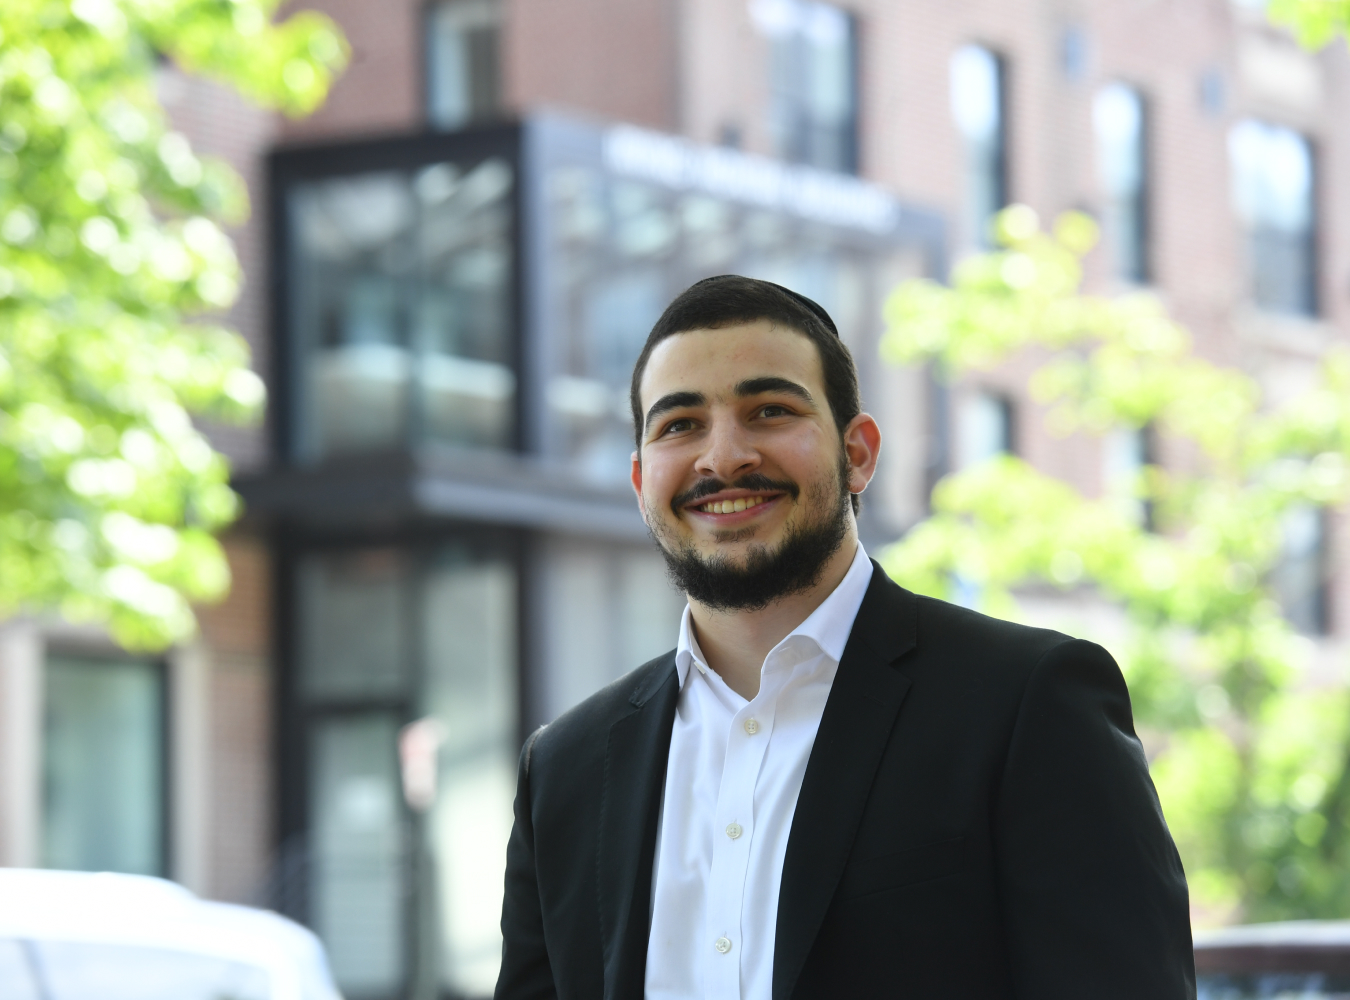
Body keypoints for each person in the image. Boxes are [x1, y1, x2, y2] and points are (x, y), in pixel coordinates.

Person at [494, 275, 1195, 1000]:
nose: (723, 457)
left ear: (857, 452)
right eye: (680, 425)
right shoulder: (564, 771)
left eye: (768, 410)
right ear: (641, 480)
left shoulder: (1030, 704)